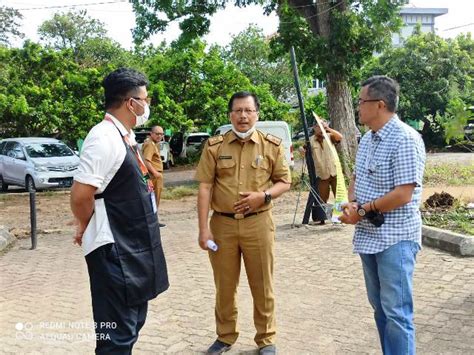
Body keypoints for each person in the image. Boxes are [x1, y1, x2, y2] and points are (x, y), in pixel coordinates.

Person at [70, 67, 169, 354]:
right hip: (115, 250)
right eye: (145, 99)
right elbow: (80, 195)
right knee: (116, 336)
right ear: (131, 103)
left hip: (134, 244)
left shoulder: (124, 135)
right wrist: (87, 225)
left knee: (133, 322)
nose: (147, 105)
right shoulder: (102, 138)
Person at [196, 91, 291, 355]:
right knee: (224, 286)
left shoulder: (271, 145)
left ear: (257, 114)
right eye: (238, 111)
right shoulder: (215, 146)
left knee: (262, 284)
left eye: (248, 111)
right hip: (222, 227)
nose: (243, 116)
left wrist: (264, 196)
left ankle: (266, 339)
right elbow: (204, 188)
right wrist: (204, 229)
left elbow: (285, 181)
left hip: (258, 224)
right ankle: (225, 336)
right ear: (230, 115)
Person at [340, 75, 425, 355]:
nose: (357, 107)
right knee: (380, 308)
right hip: (369, 236)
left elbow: (404, 194)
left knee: (397, 312)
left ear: (379, 104)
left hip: (395, 239)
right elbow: (356, 177)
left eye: (361, 101)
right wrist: (352, 204)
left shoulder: (405, 139)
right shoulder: (367, 139)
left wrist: (363, 210)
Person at [309, 119, 342, 204]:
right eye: (318, 126)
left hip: (334, 172)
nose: (321, 129)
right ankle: (324, 216)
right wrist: (301, 150)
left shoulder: (330, 136)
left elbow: (340, 137)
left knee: (340, 198)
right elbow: (302, 151)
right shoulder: (310, 141)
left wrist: (328, 128)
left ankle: (341, 215)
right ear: (314, 127)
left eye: (322, 126)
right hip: (322, 174)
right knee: (322, 200)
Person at [142, 125, 166, 227]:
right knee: (154, 198)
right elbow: (147, 161)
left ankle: (153, 220)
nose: (159, 136)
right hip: (153, 175)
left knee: (154, 198)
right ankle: (152, 221)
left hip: (155, 175)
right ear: (151, 134)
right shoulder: (150, 144)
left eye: (161, 134)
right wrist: (156, 173)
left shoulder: (153, 144)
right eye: (157, 134)